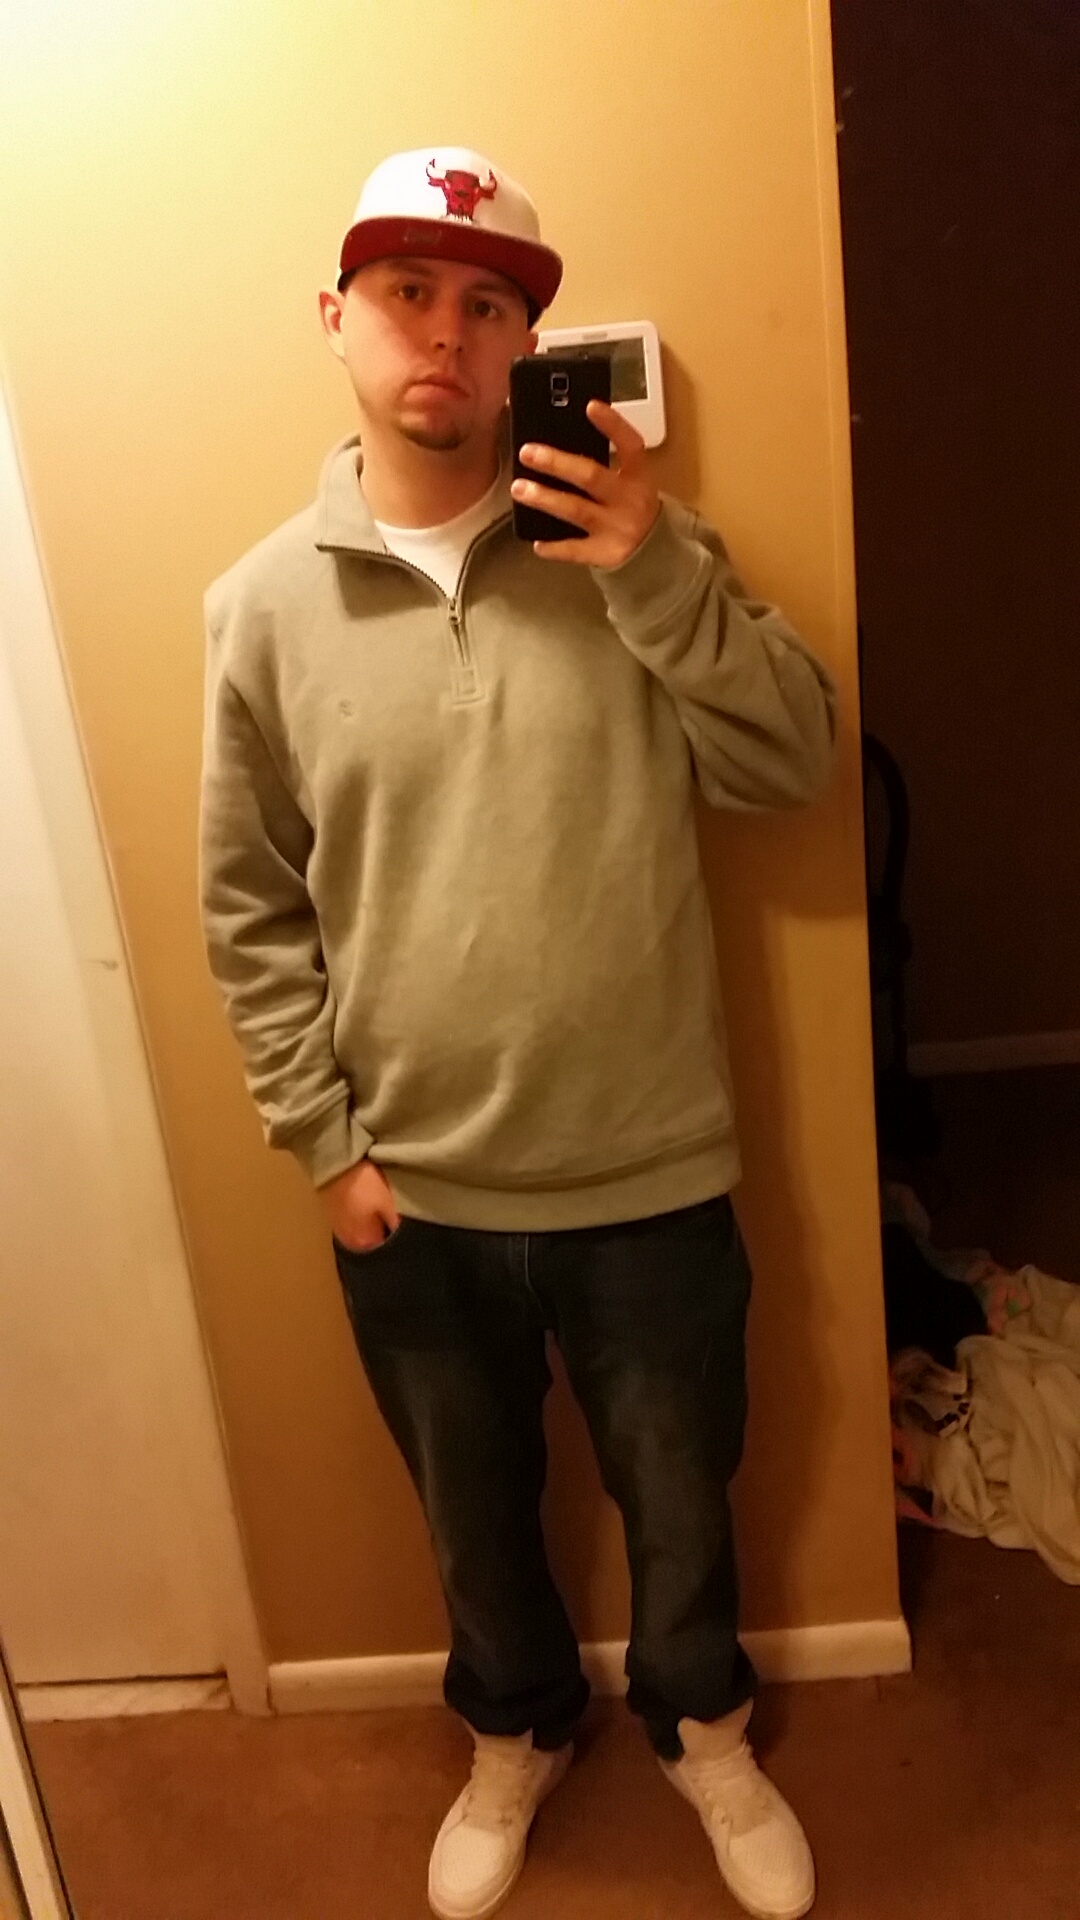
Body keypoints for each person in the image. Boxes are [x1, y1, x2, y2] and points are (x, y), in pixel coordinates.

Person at [199, 145, 837, 1920]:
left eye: (490, 306)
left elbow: (794, 762)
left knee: (683, 1501)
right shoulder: (259, 608)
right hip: (412, 1190)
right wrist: (323, 1147)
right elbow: (249, 908)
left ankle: (705, 1727)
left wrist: (654, 567)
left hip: (649, 1166)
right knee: (472, 1519)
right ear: (336, 317)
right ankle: (515, 1727)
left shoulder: (637, 551)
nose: (448, 334)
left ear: (528, 351)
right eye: (408, 291)